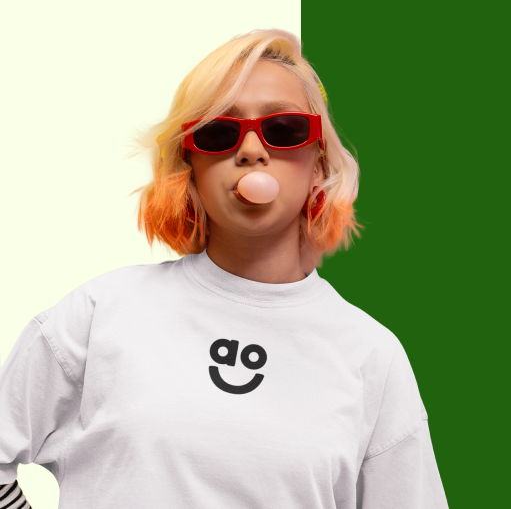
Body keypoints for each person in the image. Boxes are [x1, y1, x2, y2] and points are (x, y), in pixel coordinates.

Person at [0, 31, 447, 507]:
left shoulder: (371, 355)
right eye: (218, 132)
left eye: (284, 128)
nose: (252, 150)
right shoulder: (100, 312)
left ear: (318, 164)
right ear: (189, 167)